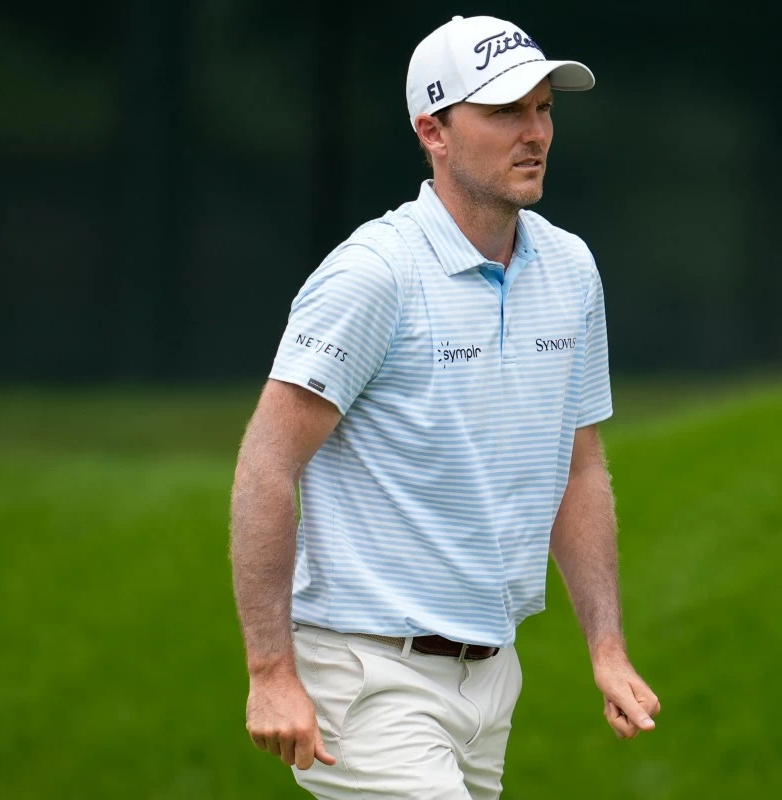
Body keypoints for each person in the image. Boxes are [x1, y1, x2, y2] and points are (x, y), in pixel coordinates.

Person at [229, 14, 660, 799]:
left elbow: (578, 467)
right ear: (433, 131)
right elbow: (267, 463)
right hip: (366, 675)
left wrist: (606, 647)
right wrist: (270, 672)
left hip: (493, 678)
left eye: (543, 109)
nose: (535, 133)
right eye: (504, 112)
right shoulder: (375, 274)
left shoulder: (570, 268)